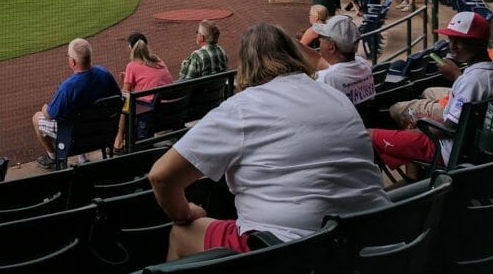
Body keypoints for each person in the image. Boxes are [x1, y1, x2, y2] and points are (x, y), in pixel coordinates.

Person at [148, 23, 389, 257]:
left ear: (246, 64)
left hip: (296, 254)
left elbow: (160, 176)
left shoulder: (242, 108)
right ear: (293, 54)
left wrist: (186, 213)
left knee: (181, 233)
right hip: (376, 235)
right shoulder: (336, 96)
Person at [371, 12, 493, 170]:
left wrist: (420, 127)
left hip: (448, 151)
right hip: (472, 147)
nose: (452, 46)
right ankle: (417, 179)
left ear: (480, 43)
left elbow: (448, 129)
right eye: (451, 39)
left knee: (369, 135)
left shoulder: (471, 81)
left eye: (460, 41)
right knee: (411, 124)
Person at [33, 38, 120, 168]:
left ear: (72, 61)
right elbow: (117, 98)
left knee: (36, 118)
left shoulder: (68, 87)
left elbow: (50, 115)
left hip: (73, 135)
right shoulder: (104, 73)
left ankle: (52, 157)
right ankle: (83, 157)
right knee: (80, 113)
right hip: (102, 131)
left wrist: (45, 108)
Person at [113, 33, 174, 151]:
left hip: (152, 116)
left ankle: (120, 140)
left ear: (131, 48)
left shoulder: (132, 66)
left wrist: (126, 82)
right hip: (171, 112)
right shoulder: (159, 61)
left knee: (124, 104)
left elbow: (125, 98)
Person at [311, 16, 375, 106]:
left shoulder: (326, 78)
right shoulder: (363, 63)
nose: (319, 39)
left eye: (322, 37)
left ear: (331, 47)